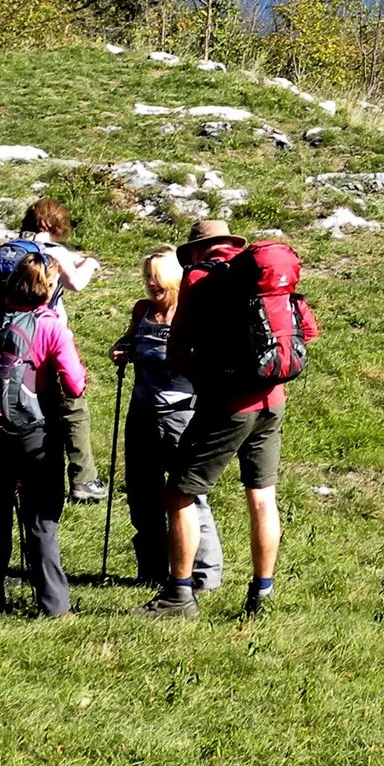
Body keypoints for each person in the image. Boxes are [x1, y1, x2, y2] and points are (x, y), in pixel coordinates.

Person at [144, 220, 316, 619]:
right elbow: (307, 329)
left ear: (196, 251)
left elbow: (178, 349)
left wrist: (205, 366)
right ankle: (262, 594)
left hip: (228, 404)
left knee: (179, 493)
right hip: (273, 399)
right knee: (261, 496)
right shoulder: (261, 276)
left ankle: (179, 595)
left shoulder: (201, 278)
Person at [0, 251, 84, 618]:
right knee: (41, 518)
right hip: (34, 431)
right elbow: (75, 386)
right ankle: (54, 606)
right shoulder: (49, 326)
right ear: (48, 287)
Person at [109, 249, 222, 591]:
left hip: (182, 414)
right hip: (141, 412)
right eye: (146, 277)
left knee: (187, 494)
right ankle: (152, 570)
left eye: (157, 277)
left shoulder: (192, 314)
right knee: (142, 494)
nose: (151, 284)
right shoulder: (142, 311)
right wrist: (121, 348)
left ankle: (204, 575)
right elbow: (129, 341)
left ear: (174, 278)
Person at [18, 197, 106, 504]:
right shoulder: (53, 252)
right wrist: (90, 264)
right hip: (49, 336)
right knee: (73, 406)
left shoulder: (9, 248)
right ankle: (84, 479)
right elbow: (75, 284)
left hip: (13, 336)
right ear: (50, 224)